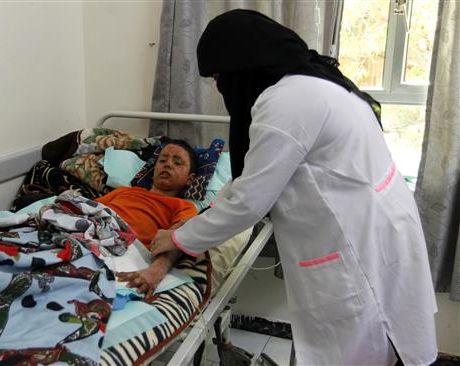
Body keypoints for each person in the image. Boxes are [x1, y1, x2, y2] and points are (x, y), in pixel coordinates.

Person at [150, 9, 437, 366]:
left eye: (220, 78)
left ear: (243, 67)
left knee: (355, 346)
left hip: (353, 242)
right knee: (378, 339)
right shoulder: (318, 81)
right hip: (379, 224)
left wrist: (178, 239)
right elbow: (250, 180)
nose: (220, 88)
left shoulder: (285, 103)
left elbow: (248, 202)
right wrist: (199, 220)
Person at [98, 140, 199, 297]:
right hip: (91, 232)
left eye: (177, 162)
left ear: (190, 179)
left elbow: (177, 240)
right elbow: (88, 209)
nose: (168, 165)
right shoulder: (124, 191)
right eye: (162, 161)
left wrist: (156, 271)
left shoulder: (183, 207)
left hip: (122, 249)